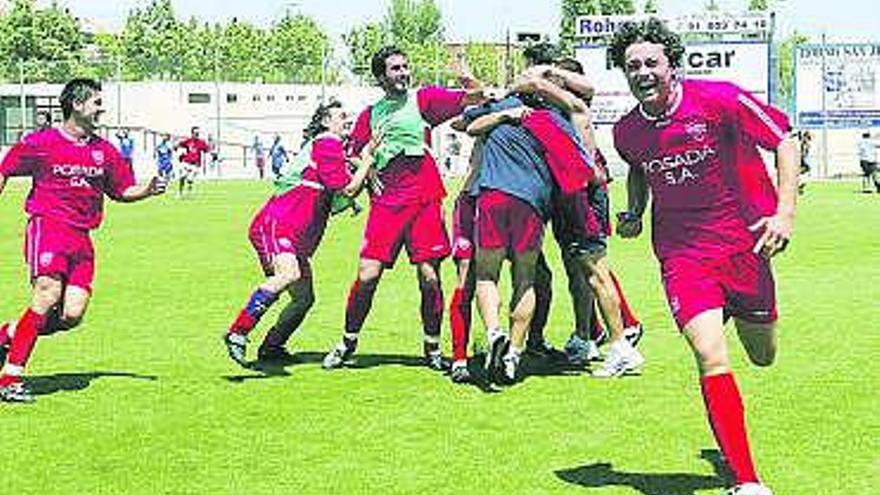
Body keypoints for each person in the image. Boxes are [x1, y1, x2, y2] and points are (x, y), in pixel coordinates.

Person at [610, 18, 798, 495]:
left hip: (745, 246)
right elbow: (639, 168)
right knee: (710, 355)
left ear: (673, 66)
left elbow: (785, 140)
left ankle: (735, 312)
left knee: (763, 356)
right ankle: (747, 481)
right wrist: (635, 209)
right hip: (683, 256)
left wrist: (784, 214)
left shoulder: (720, 99)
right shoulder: (627, 131)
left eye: (652, 62)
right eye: (633, 66)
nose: (643, 72)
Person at [0, 78, 167, 403]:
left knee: (71, 315)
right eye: (96, 102)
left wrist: (146, 190)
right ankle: (10, 378)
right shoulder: (42, 142)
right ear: (77, 105)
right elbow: (5, 168)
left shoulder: (104, 151)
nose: (101, 108)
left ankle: (6, 336)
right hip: (48, 227)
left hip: (82, 237)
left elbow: (121, 190)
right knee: (47, 295)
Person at [321, 45, 483, 372]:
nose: (403, 73)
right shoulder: (370, 114)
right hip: (386, 204)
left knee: (430, 278)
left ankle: (432, 348)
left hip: (424, 198)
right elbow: (353, 153)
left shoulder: (423, 100)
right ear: (381, 76)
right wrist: (369, 174)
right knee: (367, 276)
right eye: (395, 69)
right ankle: (347, 342)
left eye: (405, 67)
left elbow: (475, 96)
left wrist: (463, 69)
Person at [223, 101, 376, 367]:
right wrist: (366, 162)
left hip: (295, 234)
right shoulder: (327, 142)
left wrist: (358, 168)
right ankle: (238, 331)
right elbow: (346, 189)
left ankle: (272, 347)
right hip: (278, 223)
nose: (347, 120)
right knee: (288, 275)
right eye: (342, 116)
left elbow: (341, 194)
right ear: (327, 122)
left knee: (304, 299)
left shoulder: (329, 149)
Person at [175, 126, 209, 197]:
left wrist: (213, 154)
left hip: (195, 164)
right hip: (186, 162)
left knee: (190, 179)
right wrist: (176, 147)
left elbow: (207, 150)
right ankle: (180, 192)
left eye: (198, 133)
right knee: (182, 176)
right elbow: (179, 144)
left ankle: (188, 192)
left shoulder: (201, 142)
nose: (197, 134)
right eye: (195, 133)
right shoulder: (188, 141)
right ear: (192, 133)